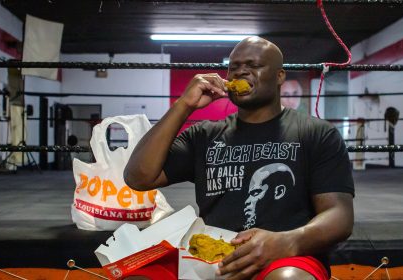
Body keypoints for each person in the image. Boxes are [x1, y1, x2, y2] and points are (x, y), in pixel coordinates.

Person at [124, 36, 354, 280]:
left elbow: (340, 216)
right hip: (210, 255)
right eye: (233, 67)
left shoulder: (315, 133)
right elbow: (138, 177)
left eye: (253, 66)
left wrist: (285, 242)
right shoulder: (205, 135)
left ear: (279, 76)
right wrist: (184, 105)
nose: (240, 72)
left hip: (286, 256)